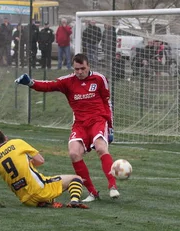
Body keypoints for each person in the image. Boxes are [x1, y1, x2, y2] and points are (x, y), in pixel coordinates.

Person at [15, 53, 120, 202]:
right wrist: (31, 83)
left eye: (82, 68)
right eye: (76, 69)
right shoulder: (68, 81)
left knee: (101, 148)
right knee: (73, 153)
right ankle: (92, 192)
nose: (80, 72)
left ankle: (112, 186)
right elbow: (49, 85)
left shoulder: (99, 79)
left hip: (98, 120)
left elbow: (107, 102)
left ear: (88, 65)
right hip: (80, 124)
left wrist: (110, 127)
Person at [0, 129, 88, 209]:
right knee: (76, 179)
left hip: (26, 200)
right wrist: (27, 164)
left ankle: (47, 203)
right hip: (40, 189)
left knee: (40, 189)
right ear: (6, 138)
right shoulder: (17, 142)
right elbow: (40, 160)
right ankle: (74, 201)